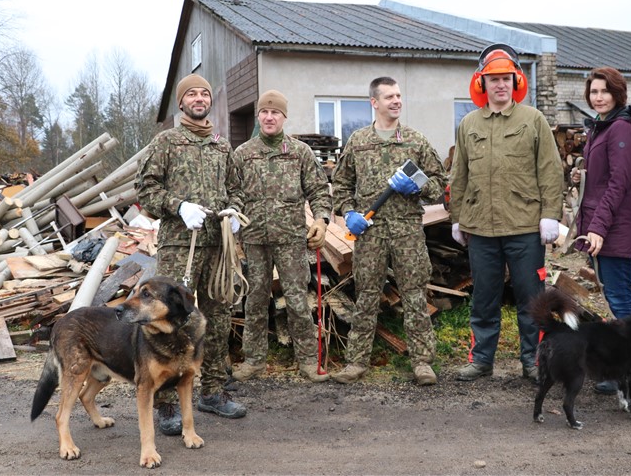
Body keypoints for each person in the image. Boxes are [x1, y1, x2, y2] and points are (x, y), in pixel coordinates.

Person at [136, 73, 247, 436]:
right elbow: (146, 189)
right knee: (171, 320)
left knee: (217, 316)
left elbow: (236, 187)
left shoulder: (221, 145)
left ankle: (212, 390)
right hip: (178, 246)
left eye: (204, 94)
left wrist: (234, 210)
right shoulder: (166, 141)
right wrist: (179, 206)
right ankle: (167, 402)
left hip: (216, 245)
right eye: (192, 94)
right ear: (182, 102)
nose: (199, 99)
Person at [450, 44, 564, 382]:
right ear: (481, 83)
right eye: (493, 79)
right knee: (484, 299)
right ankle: (481, 360)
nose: (500, 85)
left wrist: (550, 214)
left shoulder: (533, 120)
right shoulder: (469, 124)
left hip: (524, 226)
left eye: (505, 79)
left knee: (532, 299)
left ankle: (534, 361)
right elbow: (459, 175)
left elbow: (550, 170)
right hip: (481, 228)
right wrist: (457, 217)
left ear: (515, 82)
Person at [330, 76, 448, 386]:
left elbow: (439, 184)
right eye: (389, 97)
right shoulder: (358, 141)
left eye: (398, 96)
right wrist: (349, 212)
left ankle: (422, 363)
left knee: (414, 295)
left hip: (407, 231)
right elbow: (340, 186)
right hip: (370, 233)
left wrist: (416, 185)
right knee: (366, 296)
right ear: (374, 102)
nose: (396, 101)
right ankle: (356, 362)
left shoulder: (415, 141)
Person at [228, 90, 333, 383]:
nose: (269, 117)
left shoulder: (300, 152)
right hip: (254, 240)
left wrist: (321, 220)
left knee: (298, 301)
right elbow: (233, 192)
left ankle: (308, 362)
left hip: (291, 239)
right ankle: (253, 361)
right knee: (255, 301)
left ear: (284, 117)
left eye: (275, 112)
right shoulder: (243, 154)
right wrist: (233, 217)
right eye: (264, 112)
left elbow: (318, 190)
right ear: (258, 116)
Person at [570, 67, 631, 394]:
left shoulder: (621, 128)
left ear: (617, 94)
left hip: (614, 228)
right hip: (602, 227)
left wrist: (597, 228)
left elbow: (618, 183)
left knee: (620, 300)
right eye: (594, 92)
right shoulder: (602, 126)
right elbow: (601, 178)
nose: (598, 97)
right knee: (614, 299)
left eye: (605, 91)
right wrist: (581, 175)